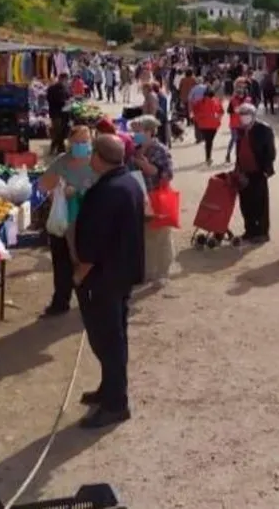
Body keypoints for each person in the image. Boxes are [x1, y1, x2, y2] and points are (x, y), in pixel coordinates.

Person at [74, 134, 145, 429]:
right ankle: (109, 389)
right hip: (122, 273)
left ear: (99, 158)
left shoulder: (107, 192)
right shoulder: (129, 182)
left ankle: (116, 404)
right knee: (115, 337)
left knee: (107, 341)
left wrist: (80, 273)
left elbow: (94, 243)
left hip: (104, 277)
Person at [37, 126, 97, 318]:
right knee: (62, 262)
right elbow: (43, 185)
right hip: (64, 222)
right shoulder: (61, 162)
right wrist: (59, 187)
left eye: (85, 141)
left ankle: (92, 302)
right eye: (77, 142)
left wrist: (80, 193)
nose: (81, 145)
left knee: (89, 262)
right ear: (70, 142)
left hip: (89, 221)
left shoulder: (97, 161)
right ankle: (61, 301)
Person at [128, 115, 175, 284]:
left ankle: (162, 272)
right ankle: (148, 271)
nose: (135, 134)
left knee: (162, 236)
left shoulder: (159, 150)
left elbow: (167, 174)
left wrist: (145, 165)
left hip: (158, 198)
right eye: (134, 131)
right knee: (145, 236)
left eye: (138, 131)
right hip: (141, 199)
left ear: (150, 131)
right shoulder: (134, 149)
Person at [234, 103, 276, 243]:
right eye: (241, 114)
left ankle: (262, 232)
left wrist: (266, 170)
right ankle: (250, 231)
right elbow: (238, 150)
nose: (243, 117)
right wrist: (237, 168)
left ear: (253, 115)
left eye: (246, 114)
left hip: (258, 171)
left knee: (260, 203)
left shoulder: (264, 129)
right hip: (243, 172)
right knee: (246, 203)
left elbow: (270, 152)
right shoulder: (240, 130)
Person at [193, 88, 224, 166]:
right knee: (210, 141)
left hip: (202, 124)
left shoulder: (199, 102)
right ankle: (208, 157)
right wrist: (218, 120)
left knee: (208, 141)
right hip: (213, 124)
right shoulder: (216, 101)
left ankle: (208, 157)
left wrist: (198, 120)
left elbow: (194, 112)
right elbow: (221, 112)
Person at [226, 84, 252, 163]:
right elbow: (228, 111)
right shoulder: (233, 100)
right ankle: (228, 154)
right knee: (234, 139)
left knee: (244, 141)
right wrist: (234, 111)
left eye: (242, 93)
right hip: (234, 124)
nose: (240, 95)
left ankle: (241, 157)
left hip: (244, 124)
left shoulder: (248, 100)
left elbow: (252, 111)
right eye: (239, 93)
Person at [47, 74, 71, 154]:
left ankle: (60, 148)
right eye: (65, 80)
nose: (66, 82)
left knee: (62, 131)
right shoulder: (52, 89)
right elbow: (51, 100)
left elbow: (68, 96)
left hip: (64, 113)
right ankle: (57, 148)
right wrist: (64, 102)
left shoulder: (66, 88)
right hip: (56, 113)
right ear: (61, 79)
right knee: (58, 131)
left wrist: (70, 101)